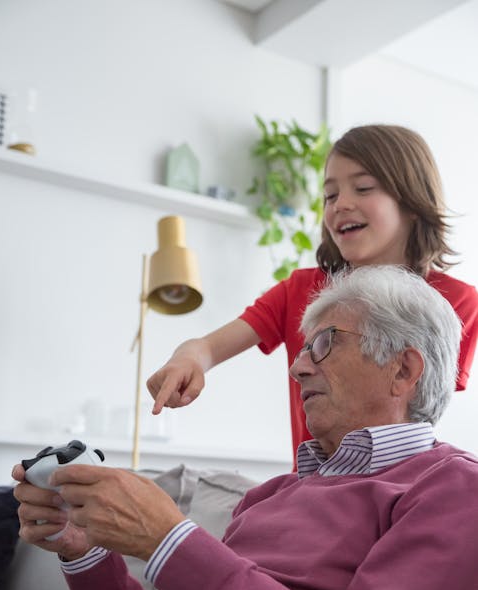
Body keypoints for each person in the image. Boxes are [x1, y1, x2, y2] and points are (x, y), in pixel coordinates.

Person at [0, 265, 478, 590]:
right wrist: (85, 552)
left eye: (324, 344)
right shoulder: (273, 495)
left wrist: (169, 541)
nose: (297, 365)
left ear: (403, 369)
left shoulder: (452, 489)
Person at [146, 124, 478, 465]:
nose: (341, 205)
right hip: (312, 495)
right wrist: (186, 360)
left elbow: (421, 411)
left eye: (363, 188)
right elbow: (205, 348)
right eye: (330, 195)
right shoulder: (300, 291)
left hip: (394, 487)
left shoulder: (456, 302)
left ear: (412, 201)